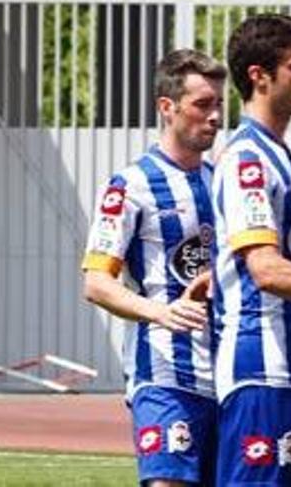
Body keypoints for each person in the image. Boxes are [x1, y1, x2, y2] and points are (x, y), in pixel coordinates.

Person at [81, 49, 225, 486]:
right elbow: (96, 282)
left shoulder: (223, 183)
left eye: (220, 103)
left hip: (230, 375)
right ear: (167, 107)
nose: (216, 116)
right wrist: (160, 312)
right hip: (164, 373)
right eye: (203, 104)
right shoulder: (130, 185)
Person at [212, 14, 291, 485]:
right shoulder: (248, 159)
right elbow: (266, 270)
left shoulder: (279, 153)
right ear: (259, 76)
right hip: (264, 372)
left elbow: (288, 253)